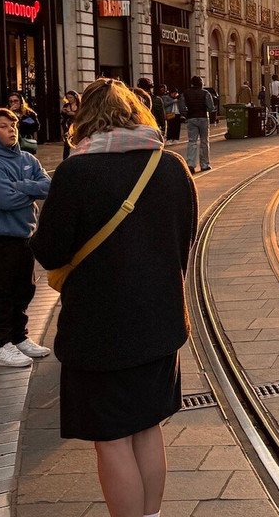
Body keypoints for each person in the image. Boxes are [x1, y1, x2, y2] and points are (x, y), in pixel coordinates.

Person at [31, 78, 196, 517]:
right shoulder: (171, 166)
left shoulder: (75, 172)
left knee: (111, 439)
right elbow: (185, 239)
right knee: (147, 428)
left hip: (99, 330)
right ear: (136, 113)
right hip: (160, 322)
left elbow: (48, 252)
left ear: (83, 119)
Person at [0, 108, 52, 367]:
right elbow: (4, 199)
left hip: (24, 234)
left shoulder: (28, 159)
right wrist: (30, 188)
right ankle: (0, 345)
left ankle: (19, 337)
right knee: (1, 291)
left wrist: (20, 186)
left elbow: (49, 186)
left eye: (13, 125)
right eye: (4, 126)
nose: (11, 130)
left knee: (24, 290)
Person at [181, 76, 214, 173]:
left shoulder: (185, 93)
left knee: (192, 141)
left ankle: (190, 164)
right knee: (204, 141)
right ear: (201, 83)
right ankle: (204, 164)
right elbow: (211, 108)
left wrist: (187, 114)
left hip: (191, 118)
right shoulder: (206, 93)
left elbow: (182, 107)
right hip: (203, 118)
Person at [60, 91, 81, 160]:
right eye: (68, 97)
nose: (69, 99)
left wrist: (73, 114)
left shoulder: (80, 105)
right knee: (67, 144)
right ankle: (65, 159)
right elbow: (63, 116)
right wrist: (63, 112)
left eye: (71, 97)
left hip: (77, 125)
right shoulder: (66, 105)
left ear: (75, 97)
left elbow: (82, 115)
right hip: (68, 126)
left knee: (78, 142)